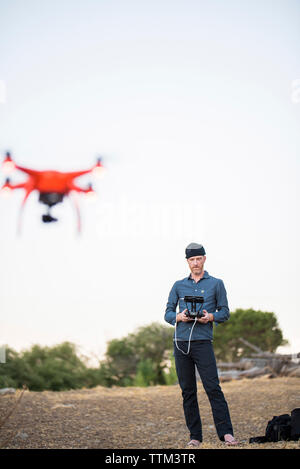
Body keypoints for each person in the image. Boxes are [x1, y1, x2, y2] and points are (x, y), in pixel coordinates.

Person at [164, 242, 238, 447]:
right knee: (188, 392)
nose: (195, 263)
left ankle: (226, 434)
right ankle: (195, 436)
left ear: (204, 258)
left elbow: (225, 312)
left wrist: (211, 316)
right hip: (181, 344)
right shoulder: (178, 285)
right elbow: (167, 313)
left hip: (203, 342)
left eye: (198, 259)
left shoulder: (216, 283)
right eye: (191, 260)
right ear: (187, 261)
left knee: (213, 388)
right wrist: (178, 316)